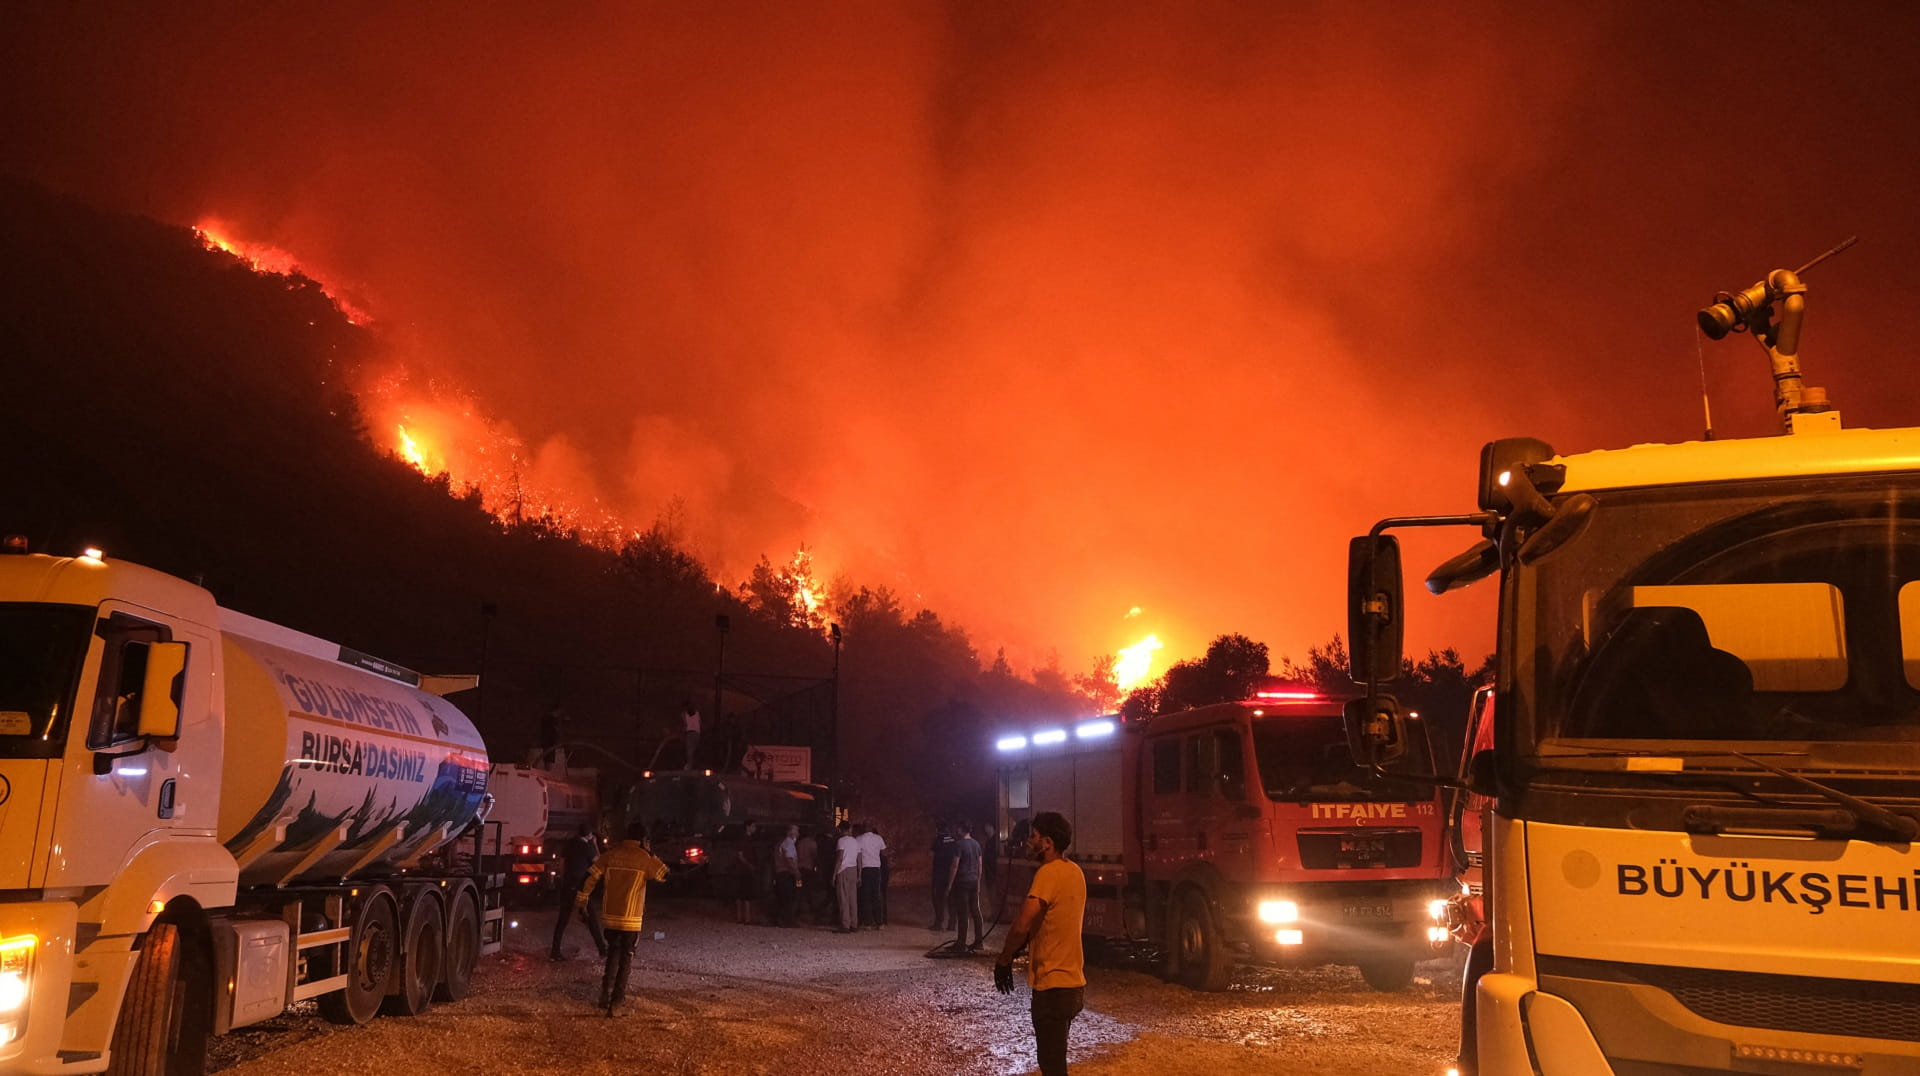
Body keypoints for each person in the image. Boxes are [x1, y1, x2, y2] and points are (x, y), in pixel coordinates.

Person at [993, 811, 1086, 1076]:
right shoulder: (1075, 872)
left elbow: (1022, 924)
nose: (1028, 842)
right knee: (1055, 1060)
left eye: (1033, 837)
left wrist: (1004, 959)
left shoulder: (1048, 874)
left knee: (1052, 1066)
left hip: (1052, 986)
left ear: (1047, 842)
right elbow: (1052, 921)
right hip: (1073, 983)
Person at [576, 820, 670, 1015]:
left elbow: (589, 877)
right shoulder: (644, 858)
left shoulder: (611, 855)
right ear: (644, 839)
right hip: (631, 918)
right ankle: (617, 1002)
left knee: (612, 953)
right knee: (626, 958)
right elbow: (665, 875)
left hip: (610, 916)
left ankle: (605, 994)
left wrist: (582, 900)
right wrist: (650, 852)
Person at [550, 823, 607, 961]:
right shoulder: (587, 847)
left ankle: (555, 952)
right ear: (589, 835)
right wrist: (594, 844)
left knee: (563, 919)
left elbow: (562, 864)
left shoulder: (569, 844)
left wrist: (564, 880)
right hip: (581, 887)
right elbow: (599, 863)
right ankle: (602, 950)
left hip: (568, 885)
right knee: (591, 918)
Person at [950, 821, 984, 951]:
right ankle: (979, 941)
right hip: (973, 881)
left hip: (962, 882)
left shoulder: (958, 845)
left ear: (961, 829)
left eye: (958, 828)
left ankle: (961, 942)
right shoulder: (976, 844)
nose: (957, 830)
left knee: (963, 912)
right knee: (976, 911)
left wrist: (949, 884)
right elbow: (980, 865)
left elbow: (955, 865)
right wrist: (978, 882)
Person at [856, 821, 888, 929]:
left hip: (865, 869)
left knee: (866, 896)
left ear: (863, 829)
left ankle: (868, 923)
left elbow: (857, 855)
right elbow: (884, 853)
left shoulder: (859, 839)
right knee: (876, 895)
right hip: (876, 869)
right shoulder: (878, 838)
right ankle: (880, 922)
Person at [833, 820, 861, 933]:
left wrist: (834, 874)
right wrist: (860, 874)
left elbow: (839, 858)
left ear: (840, 829)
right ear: (849, 829)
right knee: (852, 898)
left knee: (843, 898)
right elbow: (859, 859)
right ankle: (854, 923)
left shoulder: (841, 841)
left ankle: (845, 925)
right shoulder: (855, 841)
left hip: (843, 870)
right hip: (853, 870)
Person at [929, 821, 957, 931]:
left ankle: (939, 923)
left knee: (938, 898)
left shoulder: (937, 840)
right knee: (951, 899)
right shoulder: (953, 840)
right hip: (951, 874)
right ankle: (952, 924)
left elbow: (931, 854)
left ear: (937, 829)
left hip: (939, 874)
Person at [773, 824, 801, 926]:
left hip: (780, 873)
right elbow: (789, 858)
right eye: (796, 831)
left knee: (783, 897)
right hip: (786, 873)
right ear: (790, 832)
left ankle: (781, 920)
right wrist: (796, 871)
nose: (798, 833)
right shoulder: (788, 843)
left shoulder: (781, 843)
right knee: (788, 897)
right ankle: (787, 920)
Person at [680, 702, 701, 768]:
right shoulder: (697, 713)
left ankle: (689, 765)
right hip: (697, 733)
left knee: (689, 750)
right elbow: (700, 722)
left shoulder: (684, 714)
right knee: (694, 749)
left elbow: (685, 723)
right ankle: (693, 764)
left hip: (690, 733)